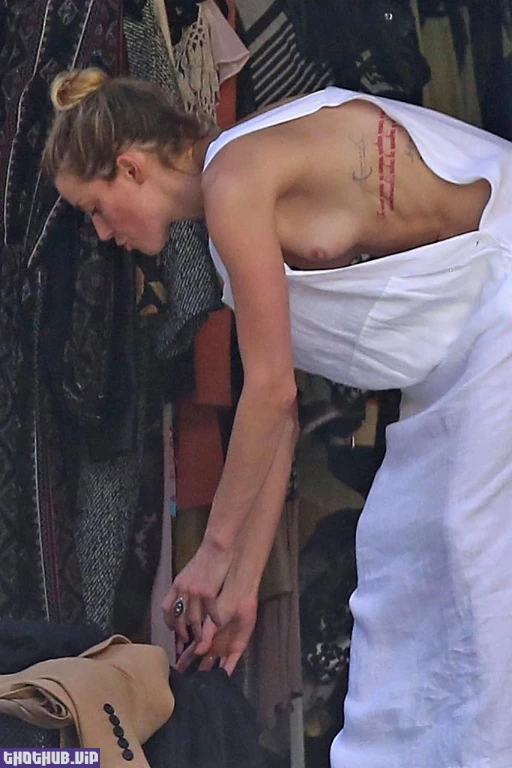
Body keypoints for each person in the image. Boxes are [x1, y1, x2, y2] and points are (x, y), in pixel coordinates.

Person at [42, 68, 512, 768]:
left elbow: (270, 393)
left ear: (132, 168)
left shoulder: (234, 179)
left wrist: (214, 552)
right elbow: (279, 423)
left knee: (466, 557)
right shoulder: (235, 199)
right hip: (470, 350)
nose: (104, 233)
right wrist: (242, 589)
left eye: (96, 209)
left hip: (499, 306)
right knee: (404, 565)